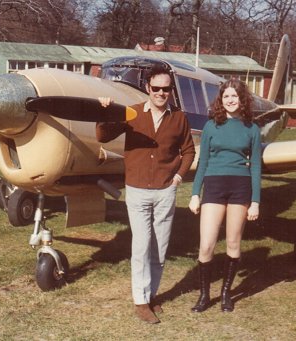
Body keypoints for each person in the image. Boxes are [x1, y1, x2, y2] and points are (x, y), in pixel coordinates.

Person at [96, 65, 195, 324]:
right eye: (156, 88)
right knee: (141, 246)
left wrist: (178, 176)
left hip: (165, 191)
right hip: (138, 191)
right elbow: (103, 136)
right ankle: (140, 301)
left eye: (166, 89)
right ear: (148, 88)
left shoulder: (179, 117)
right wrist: (104, 112)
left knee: (159, 249)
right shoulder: (132, 113)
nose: (161, 93)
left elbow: (189, 151)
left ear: (171, 90)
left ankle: (151, 296)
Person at [188, 79, 261, 313]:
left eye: (235, 96)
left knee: (232, 242)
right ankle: (203, 295)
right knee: (206, 244)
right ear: (221, 99)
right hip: (214, 186)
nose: (230, 100)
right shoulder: (211, 126)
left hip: (240, 188)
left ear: (243, 99)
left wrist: (255, 201)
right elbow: (203, 163)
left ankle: (226, 294)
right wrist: (194, 194)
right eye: (226, 96)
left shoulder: (252, 129)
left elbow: (256, 167)